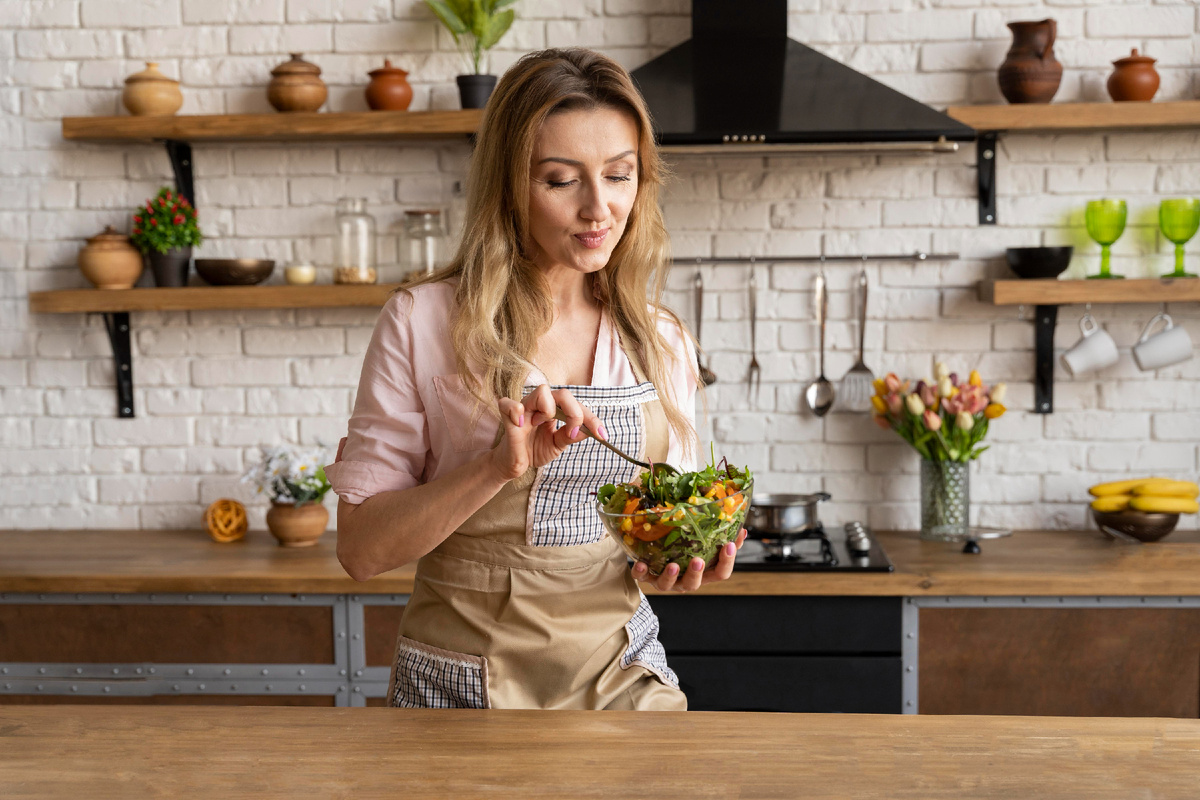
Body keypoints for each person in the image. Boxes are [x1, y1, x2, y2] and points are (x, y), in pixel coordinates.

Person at [325, 47, 745, 711]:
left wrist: (674, 560)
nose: (599, 208)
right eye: (560, 180)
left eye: (619, 175)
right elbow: (362, 552)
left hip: (621, 674)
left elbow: (654, 542)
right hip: (464, 681)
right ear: (508, 184)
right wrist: (494, 467)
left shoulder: (660, 338)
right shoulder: (422, 322)